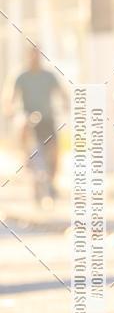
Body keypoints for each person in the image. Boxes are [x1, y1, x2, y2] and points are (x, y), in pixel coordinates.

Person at [3, 45, 68, 200]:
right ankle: (26, 158)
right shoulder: (21, 76)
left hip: (47, 118)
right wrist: (10, 110)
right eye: (32, 55)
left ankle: (52, 182)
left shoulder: (48, 76)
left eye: (38, 55)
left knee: (54, 149)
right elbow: (10, 98)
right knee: (24, 132)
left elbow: (62, 93)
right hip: (29, 118)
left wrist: (67, 104)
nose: (35, 59)